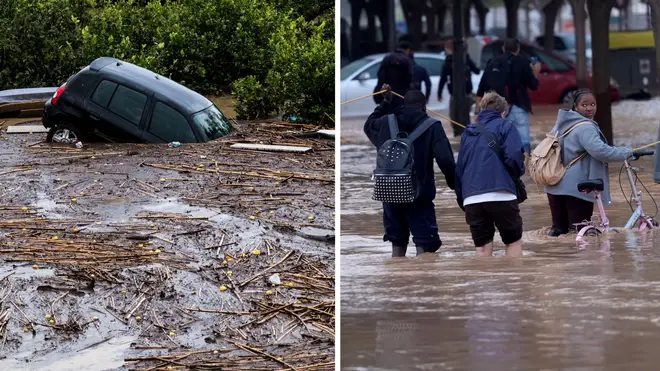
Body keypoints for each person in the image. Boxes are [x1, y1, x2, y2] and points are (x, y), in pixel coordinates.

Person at [364, 84, 456, 257]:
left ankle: (399, 278)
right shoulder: (432, 126)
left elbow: (368, 126)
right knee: (426, 244)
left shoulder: (385, 122)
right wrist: (456, 186)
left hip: (390, 193)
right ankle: (421, 280)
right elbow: (446, 161)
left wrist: (385, 103)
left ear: (403, 104)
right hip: (419, 195)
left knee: (397, 241)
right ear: (424, 105)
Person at [545, 89, 634, 237]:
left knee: (559, 234)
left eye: (593, 104)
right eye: (584, 104)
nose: (589, 108)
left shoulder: (560, 124)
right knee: (579, 234)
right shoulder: (585, 127)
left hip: (554, 186)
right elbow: (601, 151)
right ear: (575, 106)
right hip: (577, 189)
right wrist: (627, 152)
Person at [455, 91, 525, 257]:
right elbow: (514, 157)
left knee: (482, 250)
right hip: (502, 195)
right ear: (503, 113)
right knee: (513, 242)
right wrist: (515, 176)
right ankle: (515, 281)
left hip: (472, 198)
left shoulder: (468, 132)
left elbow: (460, 168)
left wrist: (463, 199)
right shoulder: (506, 126)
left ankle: (485, 280)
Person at [476, 38, 541, 154]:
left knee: (496, 138)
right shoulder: (522, 62)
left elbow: (481, 87)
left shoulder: (492, 62)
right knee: (523, 139)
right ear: (518, 49)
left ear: (503, 48)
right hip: (517, 106)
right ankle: (524, 166)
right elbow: (533, 85)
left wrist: (478, 110)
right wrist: (535, 72)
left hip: (495, 108)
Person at [437, 41, 480, 106]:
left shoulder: (448, 62)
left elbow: (443, 79)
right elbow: (477, 71)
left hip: (454, 94)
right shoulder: (466, 59)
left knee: (455, 113)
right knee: (465, 113)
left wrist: (439, 93)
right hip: (466, 92)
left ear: (448, 49)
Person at [373, 41, 415, 107]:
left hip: (387, 93)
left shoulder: (387, 58)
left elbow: (380, 75)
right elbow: (410, 78)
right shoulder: (407, 60)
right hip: (401, 95)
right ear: (408, 50)